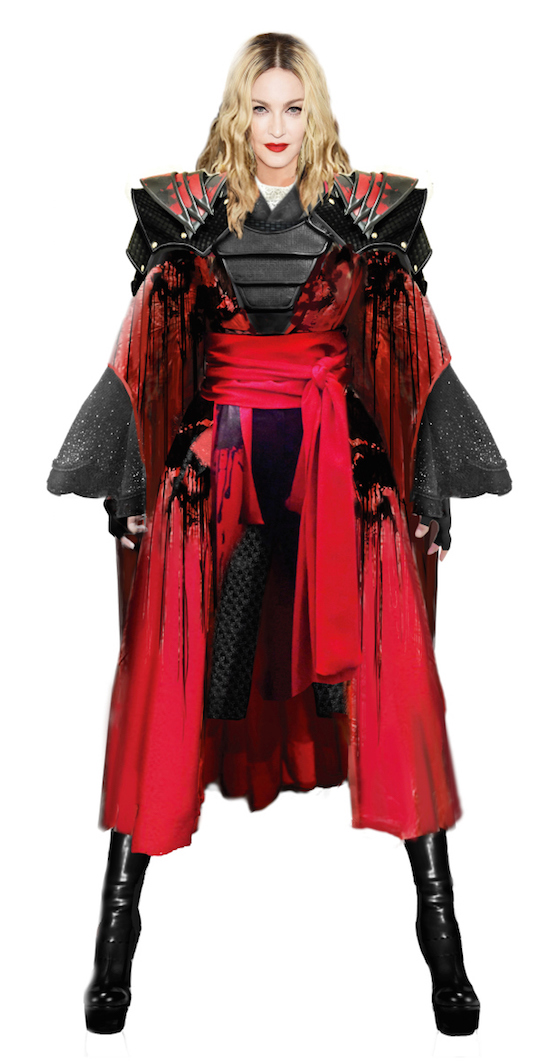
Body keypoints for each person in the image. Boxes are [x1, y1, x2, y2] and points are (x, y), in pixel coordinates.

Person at [47, 31, 511, 1039]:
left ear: (315, 115)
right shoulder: (187, 216)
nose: (275, 127)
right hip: (214, 468)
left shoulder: (366, 217)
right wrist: (129, 476)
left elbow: (414, 341)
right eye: (259, 107)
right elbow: (143, 342)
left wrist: (428, 484)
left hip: (339, 470)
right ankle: (116, 937)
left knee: (396, 685)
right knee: (165, 683)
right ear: (236, 113)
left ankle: (443, 938)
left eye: (293, 108)